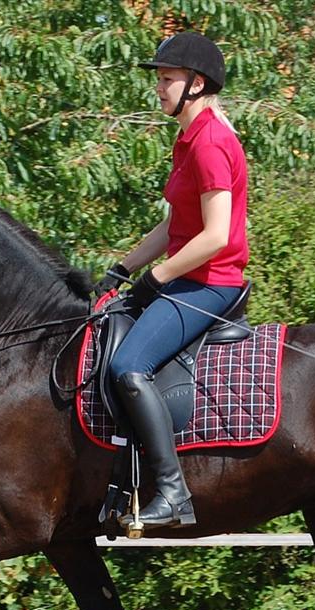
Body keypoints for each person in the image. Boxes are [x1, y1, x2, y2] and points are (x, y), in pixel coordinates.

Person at [94, 31, 249, 529]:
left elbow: (217, 235)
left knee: (128, 365)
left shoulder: (210, 143)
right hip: (187, 278)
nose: (158, 89)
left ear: (196, 84)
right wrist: (123, 268)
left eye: (166, 80)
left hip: (210, 284)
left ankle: (172, 493)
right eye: (158, 80)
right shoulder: (188, 139)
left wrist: (154, 279)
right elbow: (174, 226)